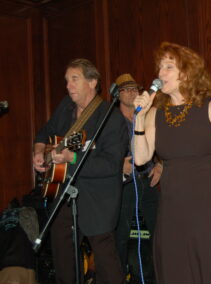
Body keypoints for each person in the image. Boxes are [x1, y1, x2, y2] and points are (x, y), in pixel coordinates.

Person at [133, 42, 211, 284]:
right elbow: (141, 158)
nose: (160, 74)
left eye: (168, 67)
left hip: (209, 202)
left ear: (186, 73)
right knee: (176, 266)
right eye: (159, 68)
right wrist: (139, 119)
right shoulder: (156, 113)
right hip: (173, 204)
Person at [32, 58, 127, 284]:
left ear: (92, 82)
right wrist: (39, 151)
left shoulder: (110, 118)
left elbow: (111, 165)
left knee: (106, 264)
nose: (68, 86)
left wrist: (72, 157)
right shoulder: (65, 107)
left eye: (75, 79)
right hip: (63, 192)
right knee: (64, 261)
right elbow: (46, 131)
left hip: (98, 199)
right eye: (67, 81)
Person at [114, 73, 161, 282]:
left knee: (158, 231)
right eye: (126, 89)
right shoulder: (111, 120)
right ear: (117, 94)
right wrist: (118, 166)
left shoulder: (149, 115)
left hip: (147, 180)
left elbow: (165, 144)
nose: (132, 92)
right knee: (121, 236)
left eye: (135, 88)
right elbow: (97, 154)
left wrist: (161, 165)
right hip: (123, 185)